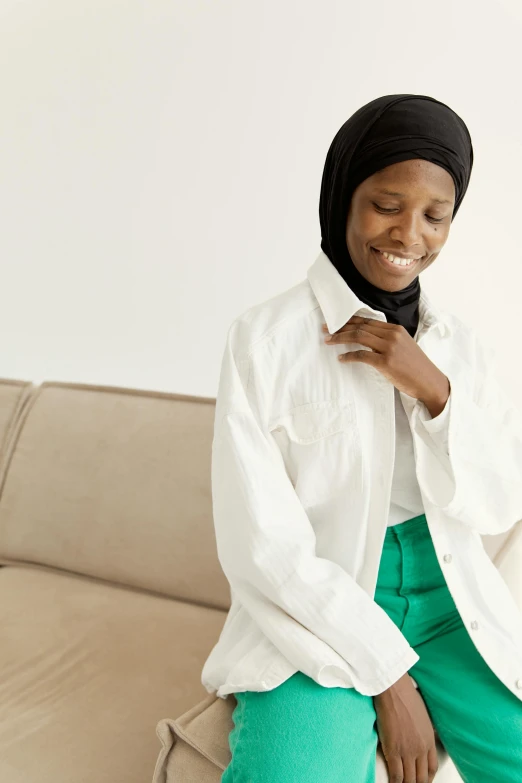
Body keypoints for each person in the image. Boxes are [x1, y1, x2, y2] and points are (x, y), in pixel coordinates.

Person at [201, 94, 522, 782]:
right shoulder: (265, 340)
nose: (410, 233)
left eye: (436, 216)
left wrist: (435, 392)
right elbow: (262, 545)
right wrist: (388, 674)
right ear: (344, 195)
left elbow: (497, 507)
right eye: (386, 204)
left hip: (449, 601)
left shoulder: (459, 349)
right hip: (321, 599)